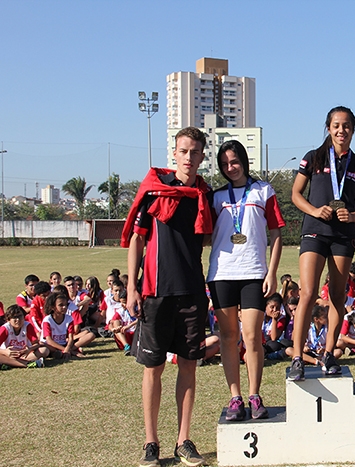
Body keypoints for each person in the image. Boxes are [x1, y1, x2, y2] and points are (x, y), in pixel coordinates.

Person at [122, 126, 212, 467]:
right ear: (173, 153)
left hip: (191, 292)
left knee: (188, 367)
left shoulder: (204, 194)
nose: (189, 157)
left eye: (195, 152)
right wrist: (132, 286)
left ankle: (184, 440)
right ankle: (151, 442)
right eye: (183, 151)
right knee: (153, 369)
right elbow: (136, 239)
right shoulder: (155, 192)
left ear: (203, 156)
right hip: (156, 293)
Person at [287, 106, 355, 381]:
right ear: (328, 128)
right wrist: (314, 210)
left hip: (342, 235)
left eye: (347, 125)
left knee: (338, 296)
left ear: (353, 129)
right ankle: (299, 357)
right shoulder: (313, 158)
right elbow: (296, 194)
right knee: (309, 292)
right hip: (314, 230)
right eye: (336, 125)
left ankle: (328, 355)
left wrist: (354, 214)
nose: (341, 130)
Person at [206, 139, 285, 421]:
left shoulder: (263, 191)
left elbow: (276, 234)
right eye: (225, 164)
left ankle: (254, 395)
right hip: (222, 274)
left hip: (254, 273)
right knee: (228, 337)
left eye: (235, 162)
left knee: (252, 336)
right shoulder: (216, 197)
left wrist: (272, 272)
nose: (231, 168)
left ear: (244, 161)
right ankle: (235, 398)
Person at [41, 293, 83, 359]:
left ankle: (59, 353)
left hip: (63, 344)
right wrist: (67, 350)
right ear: (53, 307)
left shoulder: (69, 318)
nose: (64, 307)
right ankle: (62, 352)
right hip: (50, 345)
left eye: (66, 304)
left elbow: (71, 338)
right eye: (61, 305)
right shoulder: (47, 320)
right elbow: (49, 341)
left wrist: (67, 347)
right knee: (43, 346)